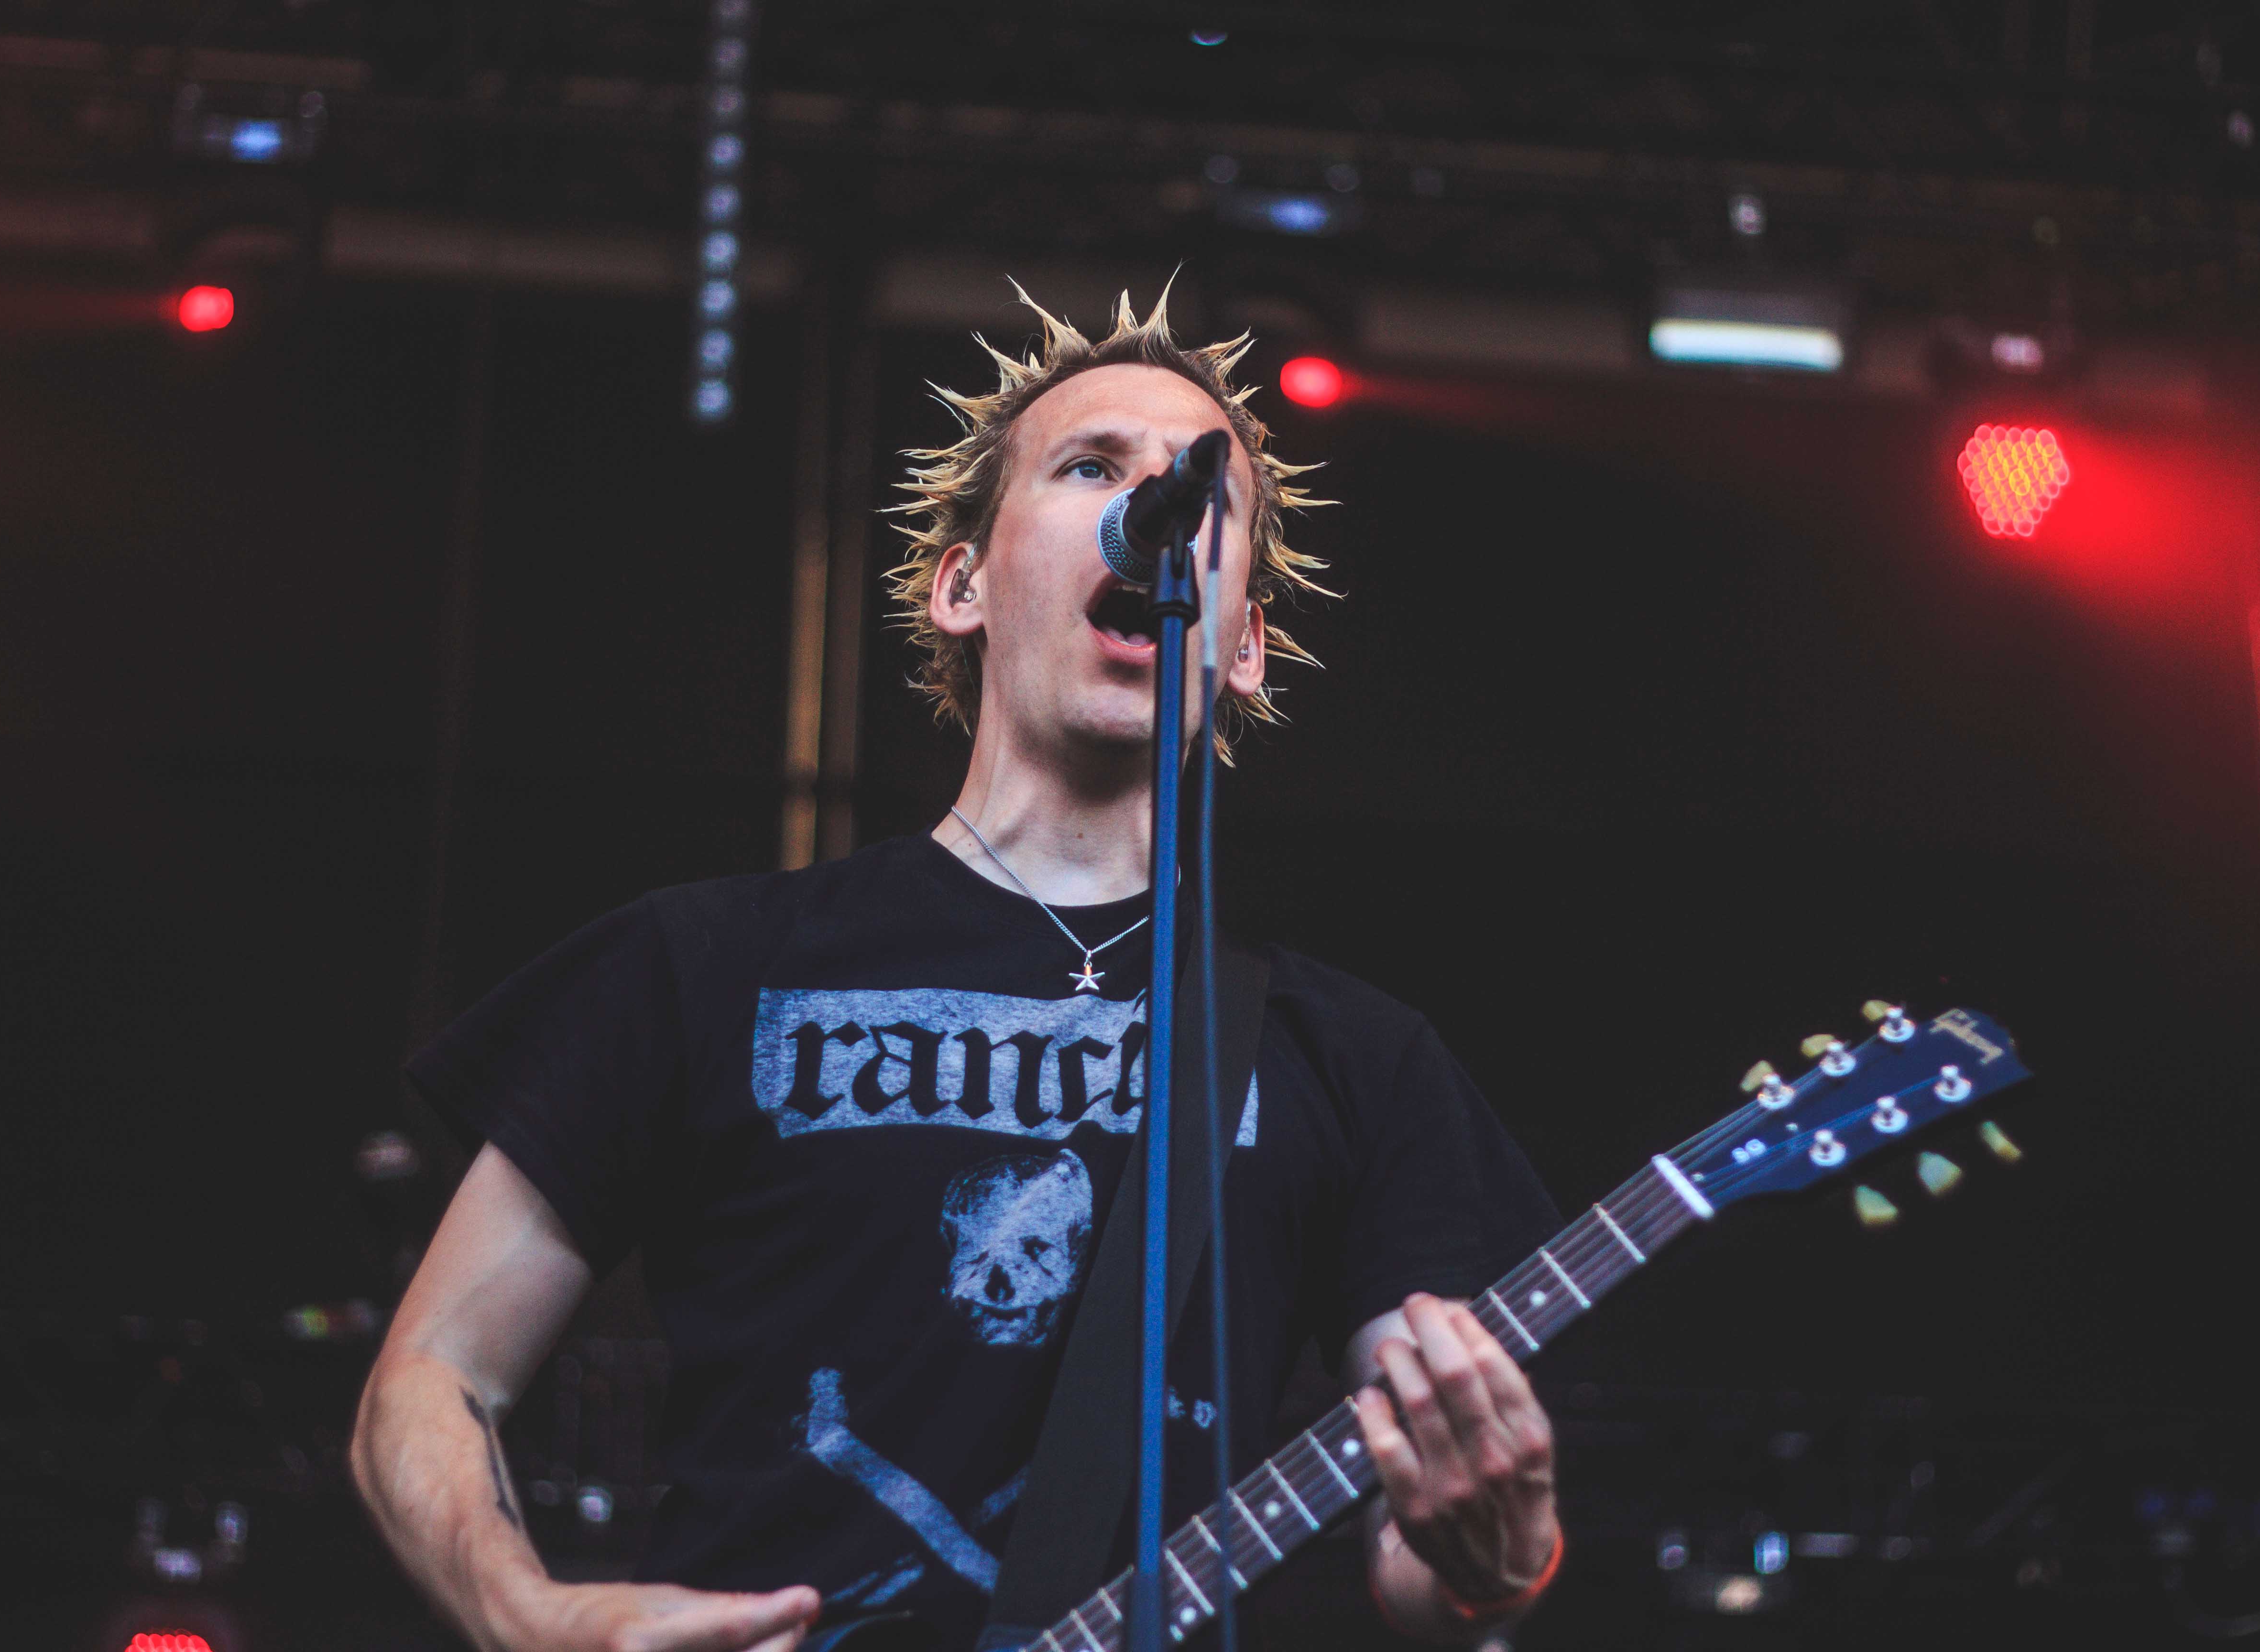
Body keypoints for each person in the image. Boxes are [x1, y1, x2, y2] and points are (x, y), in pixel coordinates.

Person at [351, 286, 1565, 1652]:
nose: (1155, 501)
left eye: (1202, 489)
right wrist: (530, 1616)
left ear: (1244, 644)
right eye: (1092, 465)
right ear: (963, 583)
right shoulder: (702, 963)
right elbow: (432, 1373)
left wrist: (1499, 1563)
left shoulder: (1353, 1057)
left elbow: (1432, 1549)